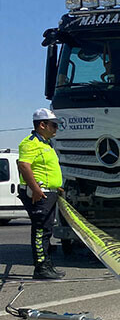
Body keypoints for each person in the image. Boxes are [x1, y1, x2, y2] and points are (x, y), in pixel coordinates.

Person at [17, 109, 66, 279]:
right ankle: (40, 268)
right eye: (53, 125)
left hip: (49, 192)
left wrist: (56, 186)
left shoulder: (46, 143)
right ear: (42, 125)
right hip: (39, 194)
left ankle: (46, 263)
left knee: (47, 230)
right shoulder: (30, 143)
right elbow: (24, 165)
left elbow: (46, 169)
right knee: (40, 230)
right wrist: (36, 189)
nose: (56, 128)